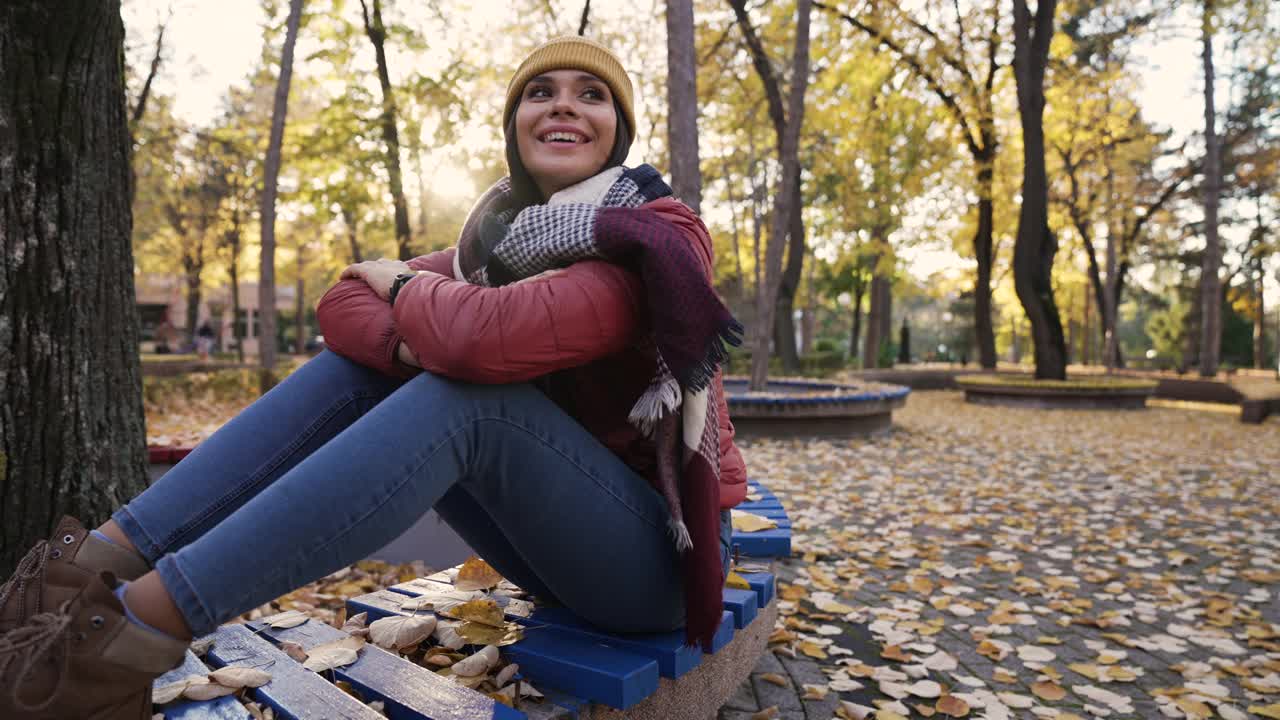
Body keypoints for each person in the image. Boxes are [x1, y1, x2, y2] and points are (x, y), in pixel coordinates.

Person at [0, 35, 747, 719]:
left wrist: (408, 301)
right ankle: (81, 573)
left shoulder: (654, 239)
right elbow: (343, 302)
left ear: (619, 128)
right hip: (560, 549)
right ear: (516, 122)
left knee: (469, 400)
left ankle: (121, 641)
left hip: (656, 567)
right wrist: (415, 336)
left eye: (591, 95)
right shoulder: (496, 243)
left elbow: (474, 338)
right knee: (379, 370)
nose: (562, 105)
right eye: (539, 90)